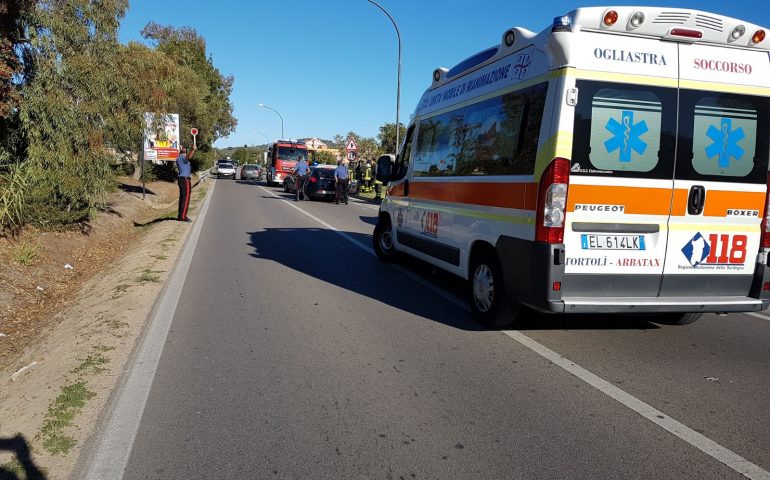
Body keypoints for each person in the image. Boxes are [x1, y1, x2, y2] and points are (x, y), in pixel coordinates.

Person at [176, 145, 196, 222]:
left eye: (184, 147)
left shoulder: (180, 158)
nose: (184, 148)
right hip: (185, 179)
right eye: (182, 147)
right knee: (186, 197)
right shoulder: (181, 157)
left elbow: (188, 157)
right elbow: (188, 157)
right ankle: (183, 216)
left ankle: (180, 215)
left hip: (182, 179)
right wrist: (193, 150)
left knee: (182, 198)